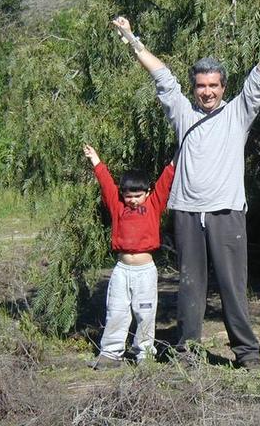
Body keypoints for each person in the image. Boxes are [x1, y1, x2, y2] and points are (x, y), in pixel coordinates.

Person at [112, 12, 260, 369]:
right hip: (186, 211)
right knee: (190, 287)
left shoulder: (238, 113)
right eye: (200, 86)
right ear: (194, 87)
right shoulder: (182, 112)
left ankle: (247, 354)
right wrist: (131, 39)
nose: (207, 91)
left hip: (226, 211)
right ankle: (188, 353)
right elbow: (161, 76)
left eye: (213, 85)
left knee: (232, 287)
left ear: (223, 87)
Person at [83, 144, 174, 369]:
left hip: (145, 271)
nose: (132, 200)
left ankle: (144, 354)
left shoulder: (154, 205)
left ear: (148, 193)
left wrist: (178, 156)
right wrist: (95, 158)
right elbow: (106, 183)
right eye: (128, 195)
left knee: (145, 313)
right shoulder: (117, 206)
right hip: (122, 271)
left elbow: (166, 178)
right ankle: (111, 353)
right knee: (116, 310)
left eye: (137, 195)